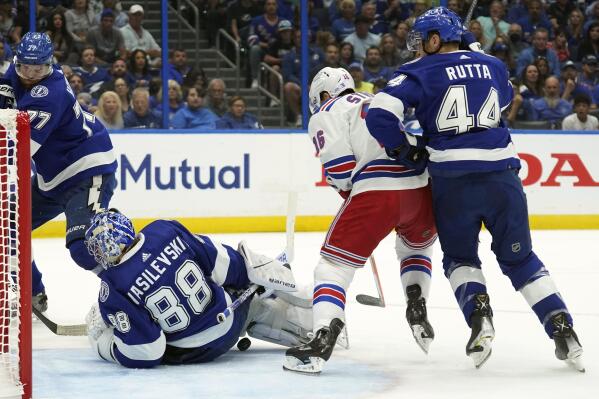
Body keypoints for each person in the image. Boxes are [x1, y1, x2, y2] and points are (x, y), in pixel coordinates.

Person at [365, 7, 584, 371]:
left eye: (421, 43)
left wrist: (406, 149)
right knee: (520, 259)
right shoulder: (493, 64)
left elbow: (379, 114)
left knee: (461, 260)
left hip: (452, 181)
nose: (418, 50)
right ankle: (563, 329)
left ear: (436, 40)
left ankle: (480, 318)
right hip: (502, 175)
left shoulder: (417, 70)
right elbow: (501, 102)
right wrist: (476, 61)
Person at [283, 67, 437, 375]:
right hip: (421, 189)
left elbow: (341, 170)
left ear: (324, 94)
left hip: (376, 191)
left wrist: (350, 192)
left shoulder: (326, 111)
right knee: (414, 249)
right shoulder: (382, 96)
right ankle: (416, 301)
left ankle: (323, 335)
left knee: (332, 266)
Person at [83, 209, 312, 368]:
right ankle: (297, 314)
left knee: (124, 339)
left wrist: (105, 345)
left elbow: (148, 352)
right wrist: (249, 283)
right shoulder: (164, 230)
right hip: (231, 320)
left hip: (194, 352)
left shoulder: (112, 289)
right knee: (245, 297)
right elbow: (223, 263)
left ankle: (259, 310)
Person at [2, 32, 117, 312]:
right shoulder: (19, 71)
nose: (29, 75)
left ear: (49, 64)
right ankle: (33, 293)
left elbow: (17, 152)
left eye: (37, 69)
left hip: (87, 170)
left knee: (84, 247)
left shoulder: (48, 94)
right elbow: (8, 87)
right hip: (53, 177)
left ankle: (134, 291)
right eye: (24, 67)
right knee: (8, 227)